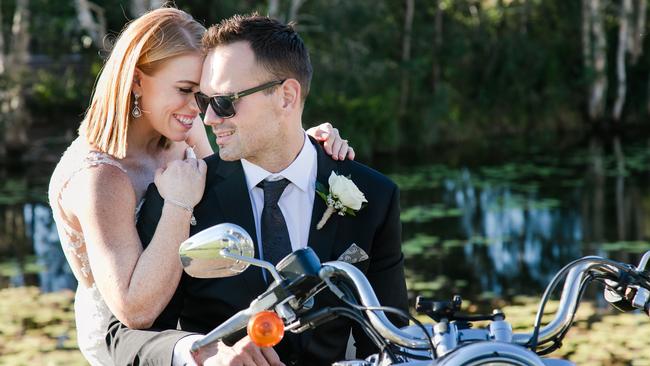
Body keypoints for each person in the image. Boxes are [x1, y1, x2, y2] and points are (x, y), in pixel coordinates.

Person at [48, 8, 353, 366]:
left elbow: (227, 192)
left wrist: (299, 147)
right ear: (136, 80)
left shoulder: (179, 126)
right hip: (137, 350)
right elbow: (136, 310)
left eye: (205, 95)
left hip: (195, 330)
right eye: (185, 90)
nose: (199, 110)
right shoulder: (100, 178)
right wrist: (178, 203)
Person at [107, 13, 407, 366]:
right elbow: (124, 339)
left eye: (225, 102)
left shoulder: (374, 195)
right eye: (205, 101)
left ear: (286, 97)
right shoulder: (183, 194)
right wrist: (203, 353)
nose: (209, 119)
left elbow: (392, 336)